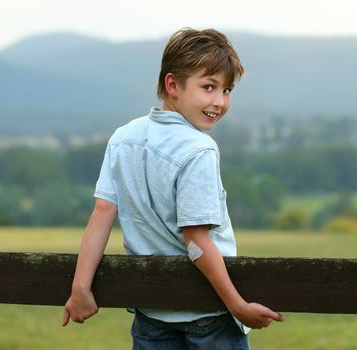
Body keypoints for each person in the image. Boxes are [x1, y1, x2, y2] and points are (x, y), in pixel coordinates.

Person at [61, 27, 284, 349]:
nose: (219, 102)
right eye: (208, 87)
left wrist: (80, 288)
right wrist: (237, 305)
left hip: (152, 312)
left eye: (227, 90)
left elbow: (102, 213)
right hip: (209, 316)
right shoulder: (198, 149)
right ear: (172, 84)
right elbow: (195, 240)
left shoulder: (124, 137)